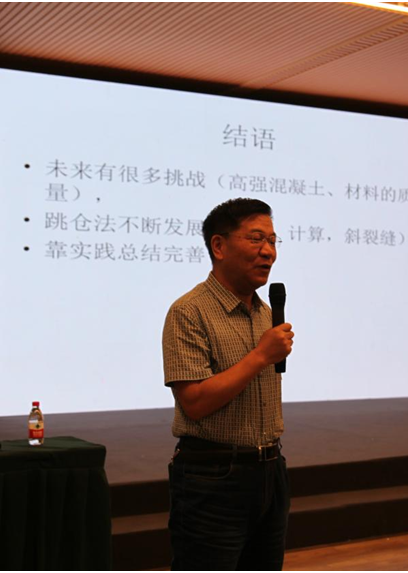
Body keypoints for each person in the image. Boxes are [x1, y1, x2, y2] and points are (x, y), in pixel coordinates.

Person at [162, 197, 294, 571]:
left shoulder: (265, 312)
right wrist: (260, 356)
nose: (268, 251)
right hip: (213, 477)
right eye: (256, 239)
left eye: (273, 241)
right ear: (218, 246)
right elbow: (195, 403)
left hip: (270, 471)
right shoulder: (189, 311)